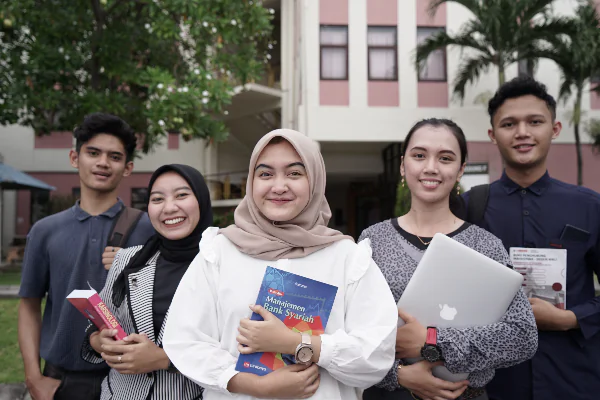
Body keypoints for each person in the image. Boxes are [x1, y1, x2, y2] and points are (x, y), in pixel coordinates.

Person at [162, 129, 398, 400]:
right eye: (265, 174)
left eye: (295, 173)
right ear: (251, 182)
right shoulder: (219, 252)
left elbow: (376, 354)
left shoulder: (347, 257)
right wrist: (251, 384)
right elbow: (185, 340)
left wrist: (297, 343)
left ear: (315, 180)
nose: (278, 186)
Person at [361, 118, 538, 400]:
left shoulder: (485, 245)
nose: (431, 167)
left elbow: (522, 337)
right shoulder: (373, 240)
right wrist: (399, 376)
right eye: (419, 156)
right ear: (403, 166)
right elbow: (350, 333)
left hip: (466, 395)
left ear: (460, 170)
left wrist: (433, 341)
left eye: (445, 158)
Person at [463, 77, 600, 400]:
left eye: (534, 122)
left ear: (554, 129)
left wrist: (570, 318)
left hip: (573, 380)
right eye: (509, 124)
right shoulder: (469, 207)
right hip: (493, 384)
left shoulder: (589, 206)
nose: (522, 132)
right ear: (493, 135)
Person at [18, 113, 154, 400]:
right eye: (93, 153)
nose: (103, 163)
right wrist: (33, 377)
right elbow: (29, 304)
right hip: (62, 380)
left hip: (132, 380)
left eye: (114, 157)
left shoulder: (149, 228)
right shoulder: (45, 231)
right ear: (74, 158)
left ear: (127, 167)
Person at [80, 164, 211, 399]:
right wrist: (100, 341)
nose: (169, 208)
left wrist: (164, 360)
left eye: (182, 195)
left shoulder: (222, 265)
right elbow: (99, 322)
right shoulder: (127, 260)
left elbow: (236, 351)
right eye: (157, 199)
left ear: (201, 200)